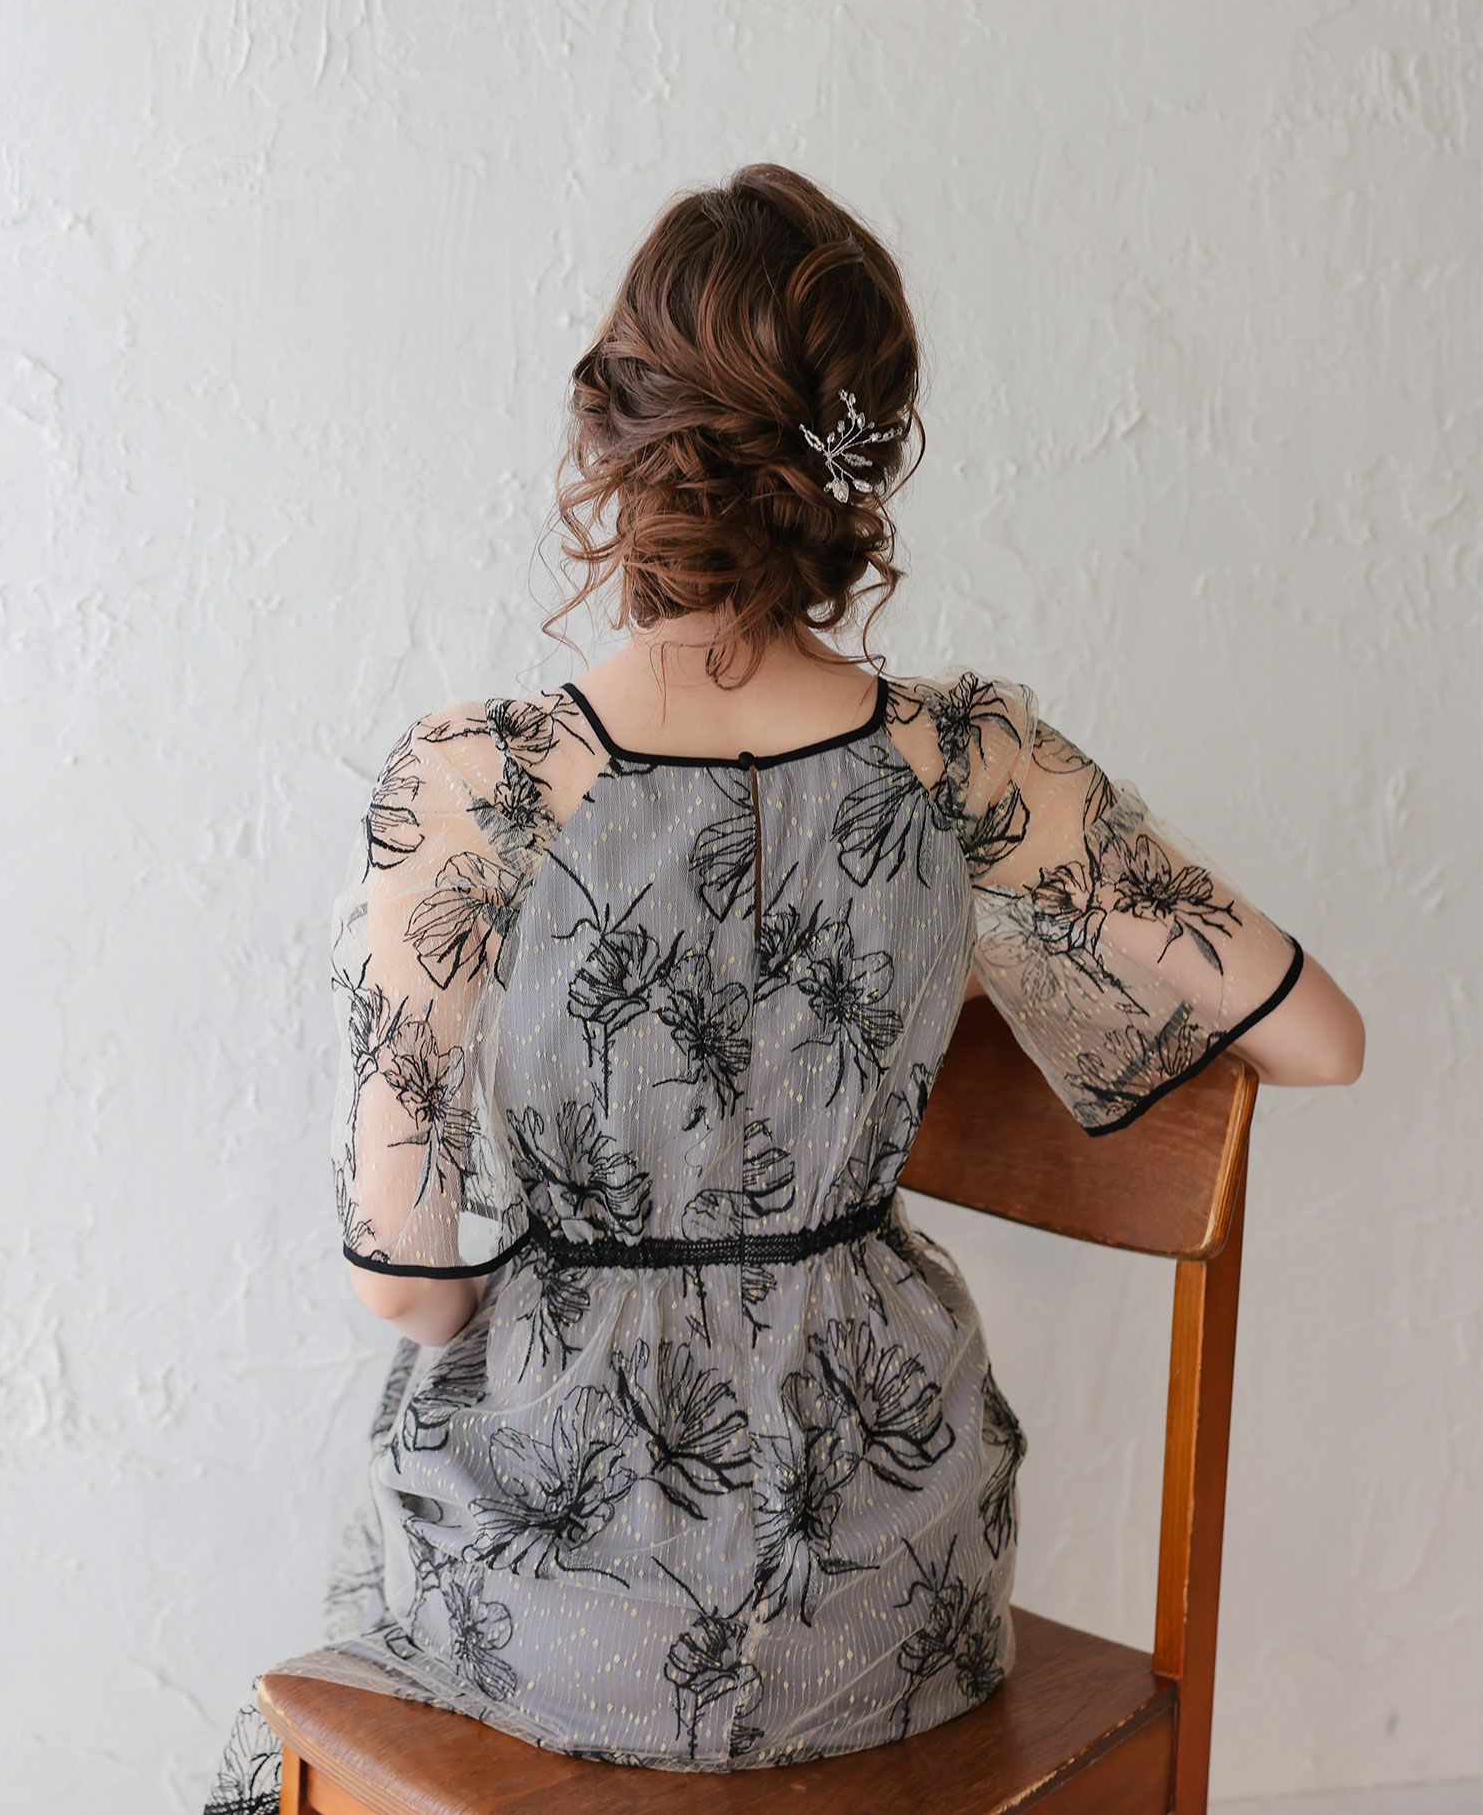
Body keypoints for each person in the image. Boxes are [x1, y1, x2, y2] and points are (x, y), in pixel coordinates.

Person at [201, 163, 1364, 1809]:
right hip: (895, 1598)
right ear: (863, 461)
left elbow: (404, 1283)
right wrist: (937, 978)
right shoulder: (969, 761)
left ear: (612, 430)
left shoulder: (479, 788)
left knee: (320, 1676)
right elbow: (1320, 1038)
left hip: (571, 1603)